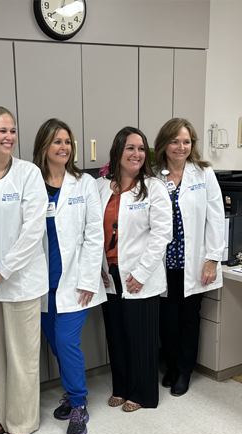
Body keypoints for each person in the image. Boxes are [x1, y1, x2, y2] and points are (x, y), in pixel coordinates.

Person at [0, 106, 48, 434]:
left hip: (18, 280)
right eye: (2, 130)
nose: (9, 137)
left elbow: (33, 230)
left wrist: (2, 270)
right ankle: (4, 414)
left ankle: (23, 420)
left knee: (21, 354)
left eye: (13, 130)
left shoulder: (28, 174)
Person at [33, 119, 106, 434]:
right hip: (40, 281)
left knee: (66, 341)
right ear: (44, 147)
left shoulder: (83, 183)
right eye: (56, 141)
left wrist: (90, 279)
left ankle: (79, 403)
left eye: (67, 141)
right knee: (56, 344)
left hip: (76, 279)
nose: (63, 147)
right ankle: (70, 392)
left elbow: (95, 233)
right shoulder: (30, 180)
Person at [98, 127, 172, 412]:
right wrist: (97, 268)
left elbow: (161, 234)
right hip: (110, 273)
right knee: (116, 334)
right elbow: (93, 231)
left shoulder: (153, 187)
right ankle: (121, 386)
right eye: (130, 147)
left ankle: (141, 393)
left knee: (140, 335)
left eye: (141, 149)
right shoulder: (101, 186)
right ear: (118, 151)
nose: (137, 154)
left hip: (139, 275)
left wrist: (141, 274)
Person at [154, 118, 224, 396]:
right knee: (167, 320)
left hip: (194, 263)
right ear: (164, 144)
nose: (180, 147)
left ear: (191, 144)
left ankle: (184, 371)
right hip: (164, 263)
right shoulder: (154, 176)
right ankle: (170, 364)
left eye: (186, 141)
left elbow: (216, 217)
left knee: (189, 319)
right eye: (174, 141)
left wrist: (212, 259)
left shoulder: (204, 174)